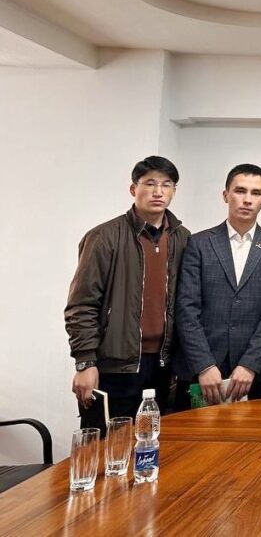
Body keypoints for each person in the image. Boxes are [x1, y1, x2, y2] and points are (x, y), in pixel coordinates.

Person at [65, 156, 190, 424]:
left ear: (174, 191)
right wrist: (85, 362)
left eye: (166, 185)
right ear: (134, 189)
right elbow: (81, 305)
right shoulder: (104, 237)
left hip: (165, 365)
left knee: (155, 442)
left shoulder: (183, 238)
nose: (158, 192)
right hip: (115, 365)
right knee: (105, 442)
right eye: (150, 183)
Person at [174, 164, 261, 408]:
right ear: (225, 195)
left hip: (251, 373)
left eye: (256, 193)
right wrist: (204, 364)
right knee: (195, 433)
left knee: (251, 433)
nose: (248, 199)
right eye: (240, 191)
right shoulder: (199, 243)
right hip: (201, 370)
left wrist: (249, 364)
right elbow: (186, 308)